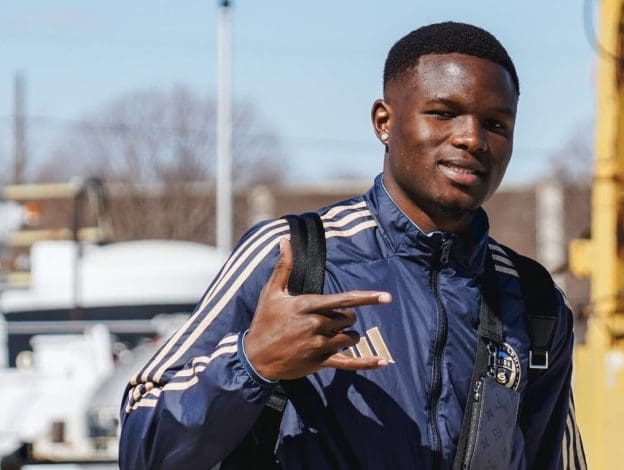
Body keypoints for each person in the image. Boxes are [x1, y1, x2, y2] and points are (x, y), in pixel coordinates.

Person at [119, 21, 586, 469]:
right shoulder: (292, 256)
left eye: (496, 124)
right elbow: (142, 448)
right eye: (443, 113)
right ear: (384, 121)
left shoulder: (534, 302)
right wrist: (253, 361)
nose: (471, 138)